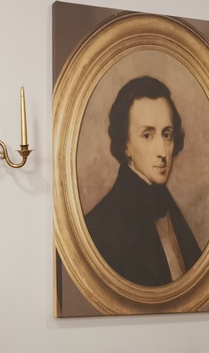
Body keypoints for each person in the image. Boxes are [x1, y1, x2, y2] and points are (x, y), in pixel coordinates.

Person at [84, 76, 201, 287]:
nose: (162, 152)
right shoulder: (96, 228)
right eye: (147, 135)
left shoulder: (167, 207)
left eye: (167, 135)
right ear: (125, 144)